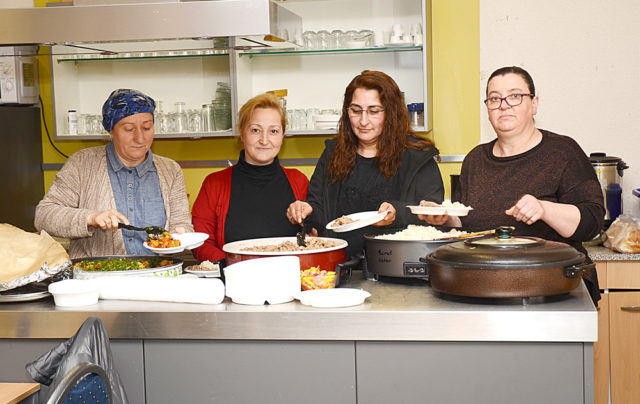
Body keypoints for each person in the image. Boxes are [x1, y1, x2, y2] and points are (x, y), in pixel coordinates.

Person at [420, 66, 605, 303]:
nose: (504, 105)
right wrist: (446, 219)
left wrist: (545, 209)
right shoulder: (475, 159)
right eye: (495, 99)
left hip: (553, 287)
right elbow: (467, 224)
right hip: (483, 286)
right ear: (487, 108)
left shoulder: (563, 152)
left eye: (515, 96)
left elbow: (592, 221)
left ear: (534, 104)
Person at [287, 70, 444, 259]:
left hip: (398, 264)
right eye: (356, 110)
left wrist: (398, 213)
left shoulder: (418, 156)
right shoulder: (333, 152)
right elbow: (320, 210)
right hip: (342, 265)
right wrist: (306, 210)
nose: (363, 121)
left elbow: (434, 217)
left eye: (374, 111)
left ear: (392, 113)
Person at [35, 89, 193, 259]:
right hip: (97, 279)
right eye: (129, 129)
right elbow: (44, 216)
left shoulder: (170, 170)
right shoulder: (81, 164)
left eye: (147, 127)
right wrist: (90, 217)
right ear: (111, 131)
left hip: (159, 276)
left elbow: (182, 225)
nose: (140, 138)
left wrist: (181, 236)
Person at [191, 93, 309, 263]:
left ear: (282, 135)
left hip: (288, 281)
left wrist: (310, 223)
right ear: (241, 133)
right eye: (255, 130)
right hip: (233, 281)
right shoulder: (214, 184)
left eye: (273, 131)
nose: (264, 140)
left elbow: (314, 237)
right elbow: (201, 243)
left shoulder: (299, 181)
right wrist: (232, 267)